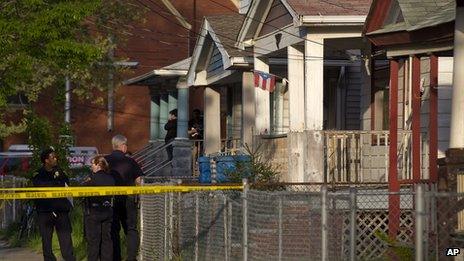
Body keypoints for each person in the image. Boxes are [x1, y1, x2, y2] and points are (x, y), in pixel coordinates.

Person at [32, 148, 76, 261]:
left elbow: (65, 183)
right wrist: (55, 184)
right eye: (53, 157)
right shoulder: (38, 173)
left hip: (61, 210)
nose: (55, 159)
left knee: (66, 240)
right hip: (45, 211)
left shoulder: (61, 171)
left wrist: (54, 184)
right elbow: (39, 186)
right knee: (46, 241)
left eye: (56, 157)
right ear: (46, 160)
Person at [105, 135, 143, 261]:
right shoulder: (130, 161)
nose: (126, 147)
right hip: (129, 199)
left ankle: (116, 257)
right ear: (122, 146)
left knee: (113, 229)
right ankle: (131, 258)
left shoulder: (105, 161)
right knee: (131, 229)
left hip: (111, 200)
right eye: (126, 145)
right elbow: (139, 180)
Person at [84, 156, 115, 261]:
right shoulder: (111, 178)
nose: (91, 166)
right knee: (107, 240)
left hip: (94, 212)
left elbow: (82, 192)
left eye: (92, 164)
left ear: (98, 165)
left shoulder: (92, 179)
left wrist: (86, 181)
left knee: (93, 241)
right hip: (107, 211)